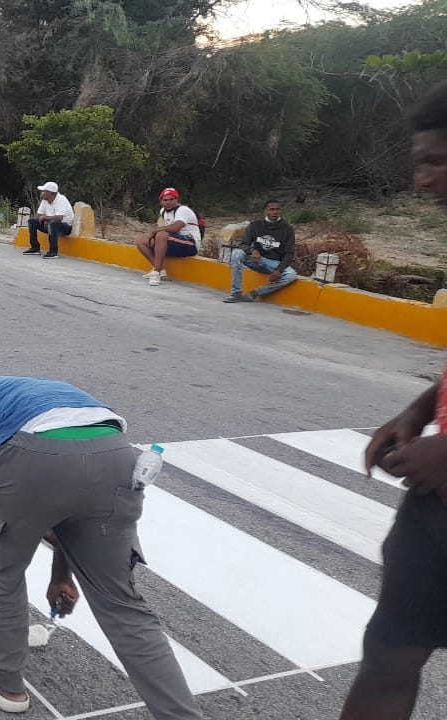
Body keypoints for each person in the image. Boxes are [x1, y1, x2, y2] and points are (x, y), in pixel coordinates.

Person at [0, 375, 204, 718]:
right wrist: (61, 574)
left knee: (1, 574)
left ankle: (6, 683)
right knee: (123, 606)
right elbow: (70, 498)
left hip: (35, 454)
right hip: (115, 454)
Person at [339, 81, 447, 720]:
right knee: (388, 657)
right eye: (420, 161)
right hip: (434, 512)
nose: (422, 180)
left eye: (437, 162)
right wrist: (418, 411)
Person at [223, 199, 298, 303]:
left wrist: (279, 270)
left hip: (274, 263)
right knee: (236, 253)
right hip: (256, 260)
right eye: (272, 209)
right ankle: (236, 293)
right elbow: (243, 245)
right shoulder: (255, 225)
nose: (275, 212)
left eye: (277, 209)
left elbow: (289, 253)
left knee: (291, 275)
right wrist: (252, 250)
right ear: (265, 211)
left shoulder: (287, 229)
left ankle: (255, 293)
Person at [135, 188, 200, 287]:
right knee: (141, 240)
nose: (168, 202)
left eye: (171, 199)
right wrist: (150, 235)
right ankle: (161, 271)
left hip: (190, 244)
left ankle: (156, 273)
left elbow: (175, 228)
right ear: (161, 201)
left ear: (177, 200)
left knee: (161, 234)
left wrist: (153, 230)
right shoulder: (163, 211)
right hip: (174, 242)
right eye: (165, 200)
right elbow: (164, 228)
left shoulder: (183, 210)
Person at [24, 181, 74, 259]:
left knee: (53, 223)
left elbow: (59, 218)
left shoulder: (61, 200)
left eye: (44, 191)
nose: (42, 193)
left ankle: (53, 252)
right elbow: (38, 215)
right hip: (49, 225)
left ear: (51, 193)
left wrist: (45, 218)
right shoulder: (45, 201)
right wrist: (40, 218)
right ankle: (35, 248)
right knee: (32, 221)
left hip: (64, 227)